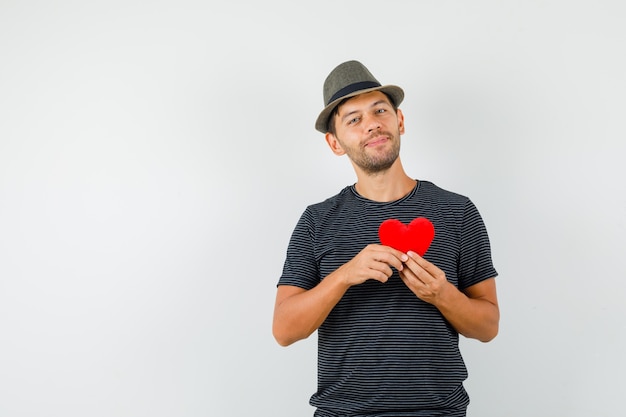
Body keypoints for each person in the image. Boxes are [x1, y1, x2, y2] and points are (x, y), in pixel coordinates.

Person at [272, 60, 499, 417]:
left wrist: (442, 295)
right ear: (335, 143)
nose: (373, 123)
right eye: (354, 119)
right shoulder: (317, 220)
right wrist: (344, 275)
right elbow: (284, 330)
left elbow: (488, 327)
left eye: (380, 110)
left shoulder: (458, 212)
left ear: (400, 121)